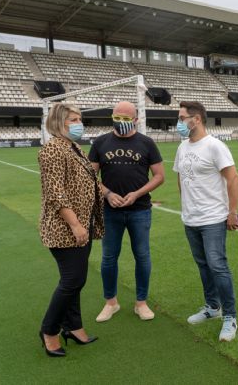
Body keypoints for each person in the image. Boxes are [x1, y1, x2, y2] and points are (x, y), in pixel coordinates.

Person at [89, 101, 164, 322]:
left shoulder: (146, 143)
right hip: (110, 211)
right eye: (117, 117)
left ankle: (141, 303)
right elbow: (90, 176)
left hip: (139, 210)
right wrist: (108, 194)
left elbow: (159, 176)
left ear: (136, 119)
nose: (120, 122)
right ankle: (110, 302)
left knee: (142, 256)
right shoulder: (101, 142)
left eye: (126, 118)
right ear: (112, 117)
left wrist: (137, 193)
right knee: (109, 258)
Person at [38, 103, 103, 357]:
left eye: (79, 119)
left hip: (81, 223)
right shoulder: (53, 150)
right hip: (65, 227)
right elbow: (56, 194)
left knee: (75, 280)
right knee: (73, 280)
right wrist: (76, 224)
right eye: (73, 119)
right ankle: (49, 330)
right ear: (59, 122)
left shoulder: (73, 147)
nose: (79, 123)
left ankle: (73, 326)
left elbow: (90, 182)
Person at [173, 101, 238, 342]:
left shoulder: (215, 146)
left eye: (182, 118)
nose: (179, 122)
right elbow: (181, 177)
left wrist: (232, 212)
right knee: (203, 265)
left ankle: (230, 317)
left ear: (197, 119)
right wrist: (186, 206)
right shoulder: (182, 147)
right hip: (190, 218)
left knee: (217, 265)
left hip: (213, 218)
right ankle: (213, 307)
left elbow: (232, 178)